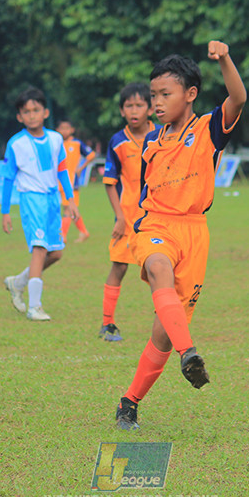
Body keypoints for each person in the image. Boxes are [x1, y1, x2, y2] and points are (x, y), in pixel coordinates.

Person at [114, 40, 246, 431]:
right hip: (156, 225)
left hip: (194, 233)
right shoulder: (151, 141)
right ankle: (190, 352)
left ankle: (129, 401)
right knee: (157, 268)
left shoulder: (208, 129)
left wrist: (224, 59)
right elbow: (143, 192)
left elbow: (238, 97)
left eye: (164, 94)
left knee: (162, 333)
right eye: (152, 94)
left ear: (190, 95)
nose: (156, 102)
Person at [1, 88, 79, 321]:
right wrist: (5, 212)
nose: (32, 115)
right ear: (19, 117)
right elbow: (8, 178)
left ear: (45, 112)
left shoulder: (56, 139)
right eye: (26, 112)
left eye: (36, 110)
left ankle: (18, 282)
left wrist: (70, 200)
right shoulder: (16, 144)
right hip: (31, 200)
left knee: (56, 253)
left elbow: (63, 171)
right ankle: (34, 306)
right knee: (39, 249)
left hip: (52, 200)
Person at [98, 83, 159, 343]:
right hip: (127, 217)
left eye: (139, 105)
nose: (134, 110)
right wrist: (120, 218)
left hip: (157, 216)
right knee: (119, 266)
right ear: (122, 110)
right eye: (129, 106)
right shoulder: (118, 141)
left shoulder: (162, 134)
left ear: (150, 108)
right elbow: (110, 183)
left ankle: (166, 321)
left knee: (159, 267)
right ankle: (107, 324)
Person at [57, 119, 95, 243]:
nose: (64, 131)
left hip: (72, 182)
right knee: (69, 209)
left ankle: (62, 236)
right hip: (59, 182)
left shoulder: (77, 143)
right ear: (58, 130)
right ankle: (84, 232)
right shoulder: (57, 143)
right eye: (62, 128)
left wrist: (80, 168)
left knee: (68, 209)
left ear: (72, 130)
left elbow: (91, 155)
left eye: (67, 128)